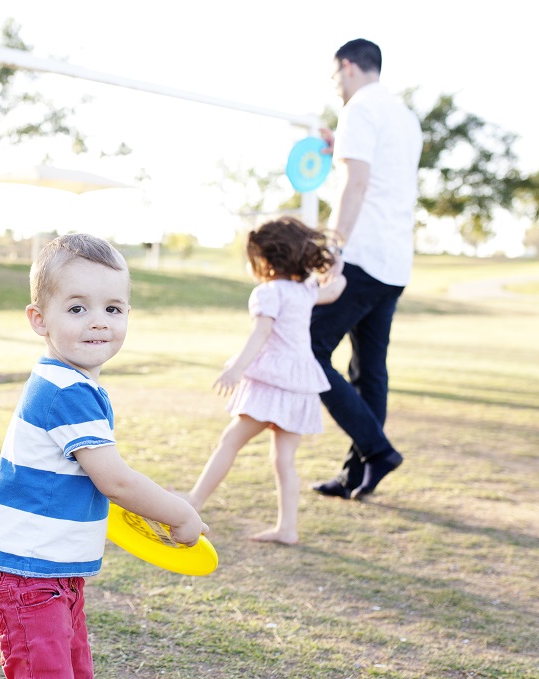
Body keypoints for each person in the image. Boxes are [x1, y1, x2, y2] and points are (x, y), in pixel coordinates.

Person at [0, 234, 208, 679]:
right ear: (39, 320)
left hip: (57, 574)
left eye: (113, 308)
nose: (99, 322)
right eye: (78, 307)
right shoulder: (64, 388)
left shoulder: (78, 383)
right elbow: (112, 479)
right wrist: (178, 513)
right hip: (26, 580)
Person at [175, 217, 345, 545]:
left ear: (265, 260)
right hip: (300, 382)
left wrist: (236, 369)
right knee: (284, 459)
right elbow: (336, 288)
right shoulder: (306, 290)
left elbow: (261, 332)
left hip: (272, 381)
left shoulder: (268, 293)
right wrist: (335, 259)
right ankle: (288, 527)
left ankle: (195, 499)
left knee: (231, 441)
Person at [311, 38, 423, 500]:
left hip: (361, 256)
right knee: (369, 370)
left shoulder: (358, 109)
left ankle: (377, 451)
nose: (335, 84)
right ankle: (358, 473)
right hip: (395, 260)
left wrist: (333, 246)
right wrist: (339, 146)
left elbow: (356, 183)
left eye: (335, 75)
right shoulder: (404, 115)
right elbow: (380, 175)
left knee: (307, 348)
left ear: (347, 66)